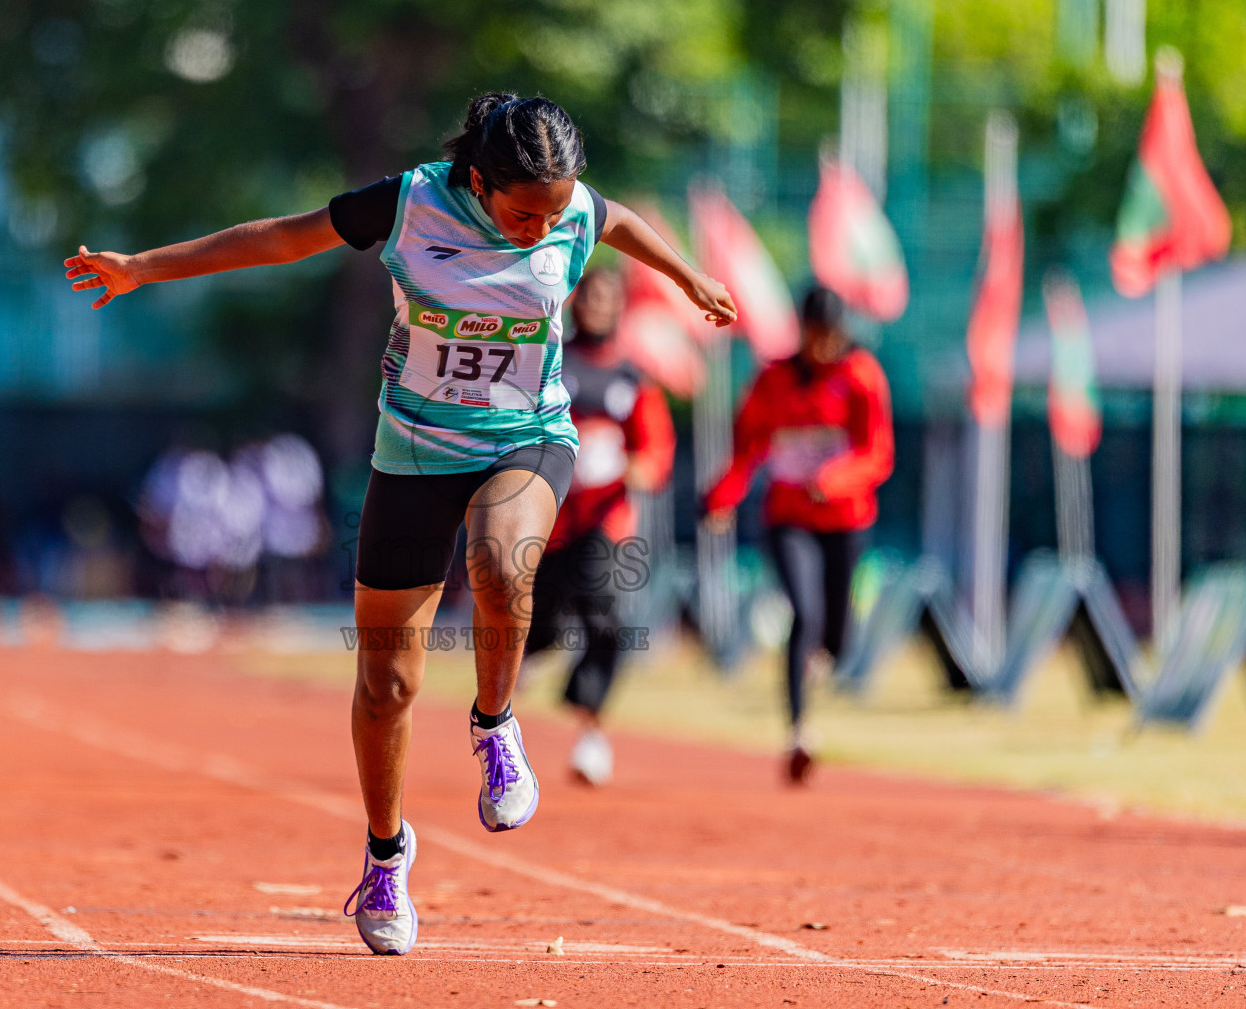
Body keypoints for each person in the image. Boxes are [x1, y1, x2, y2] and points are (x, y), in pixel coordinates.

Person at [65, 92, 735, 955]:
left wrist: (687, 277)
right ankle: (386, 857)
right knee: (386, 685)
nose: (543, 228)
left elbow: (620, 221)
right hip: (415, 450)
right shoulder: (411, 202)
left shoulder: (570, 209)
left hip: (527, 434)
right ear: (478, 179)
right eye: (524, 213)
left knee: (501, 561)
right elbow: (280, 237)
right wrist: (143, 268)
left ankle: (496, 726)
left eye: (557, 211)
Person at [700, 285, 892, 786]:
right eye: (815, 334)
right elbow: (748, 448)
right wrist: (722, 496)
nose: (823, 345)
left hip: (846, 519)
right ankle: (799, 732)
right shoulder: (773, 380)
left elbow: (878, 453)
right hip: (788, 518)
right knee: (802, 614)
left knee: (837, 637)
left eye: (832, 335)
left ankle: (825, 657)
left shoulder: (862, 376)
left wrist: (834, 480)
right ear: (803, 331)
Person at [523, 267, 675, 785]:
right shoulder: (550, 364)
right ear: (575, 301)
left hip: (606, 519)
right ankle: (531, 658)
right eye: (588, 295)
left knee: (605, 618)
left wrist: (642, 468)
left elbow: (655, 446)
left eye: (607, 297)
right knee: (539, 625)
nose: (596, 305)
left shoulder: (632, 379)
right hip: (549, 517)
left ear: (620, 306)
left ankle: (591, 733)